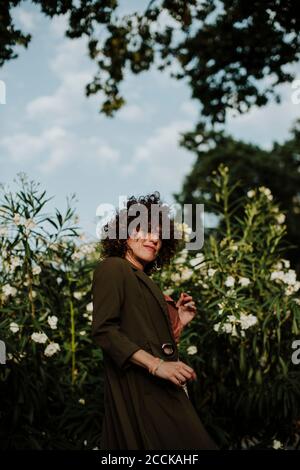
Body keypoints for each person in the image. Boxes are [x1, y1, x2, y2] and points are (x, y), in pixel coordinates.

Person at [91, 192, 218, 450]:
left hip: (157, 387)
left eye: (159, 234)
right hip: (142, 388)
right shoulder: (113, 268)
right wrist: (156, 365)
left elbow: (148, 338)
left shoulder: (142, 280)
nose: (154, 238)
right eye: (145, 229)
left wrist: (179, 322)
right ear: (124, 233)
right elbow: (105, 331)